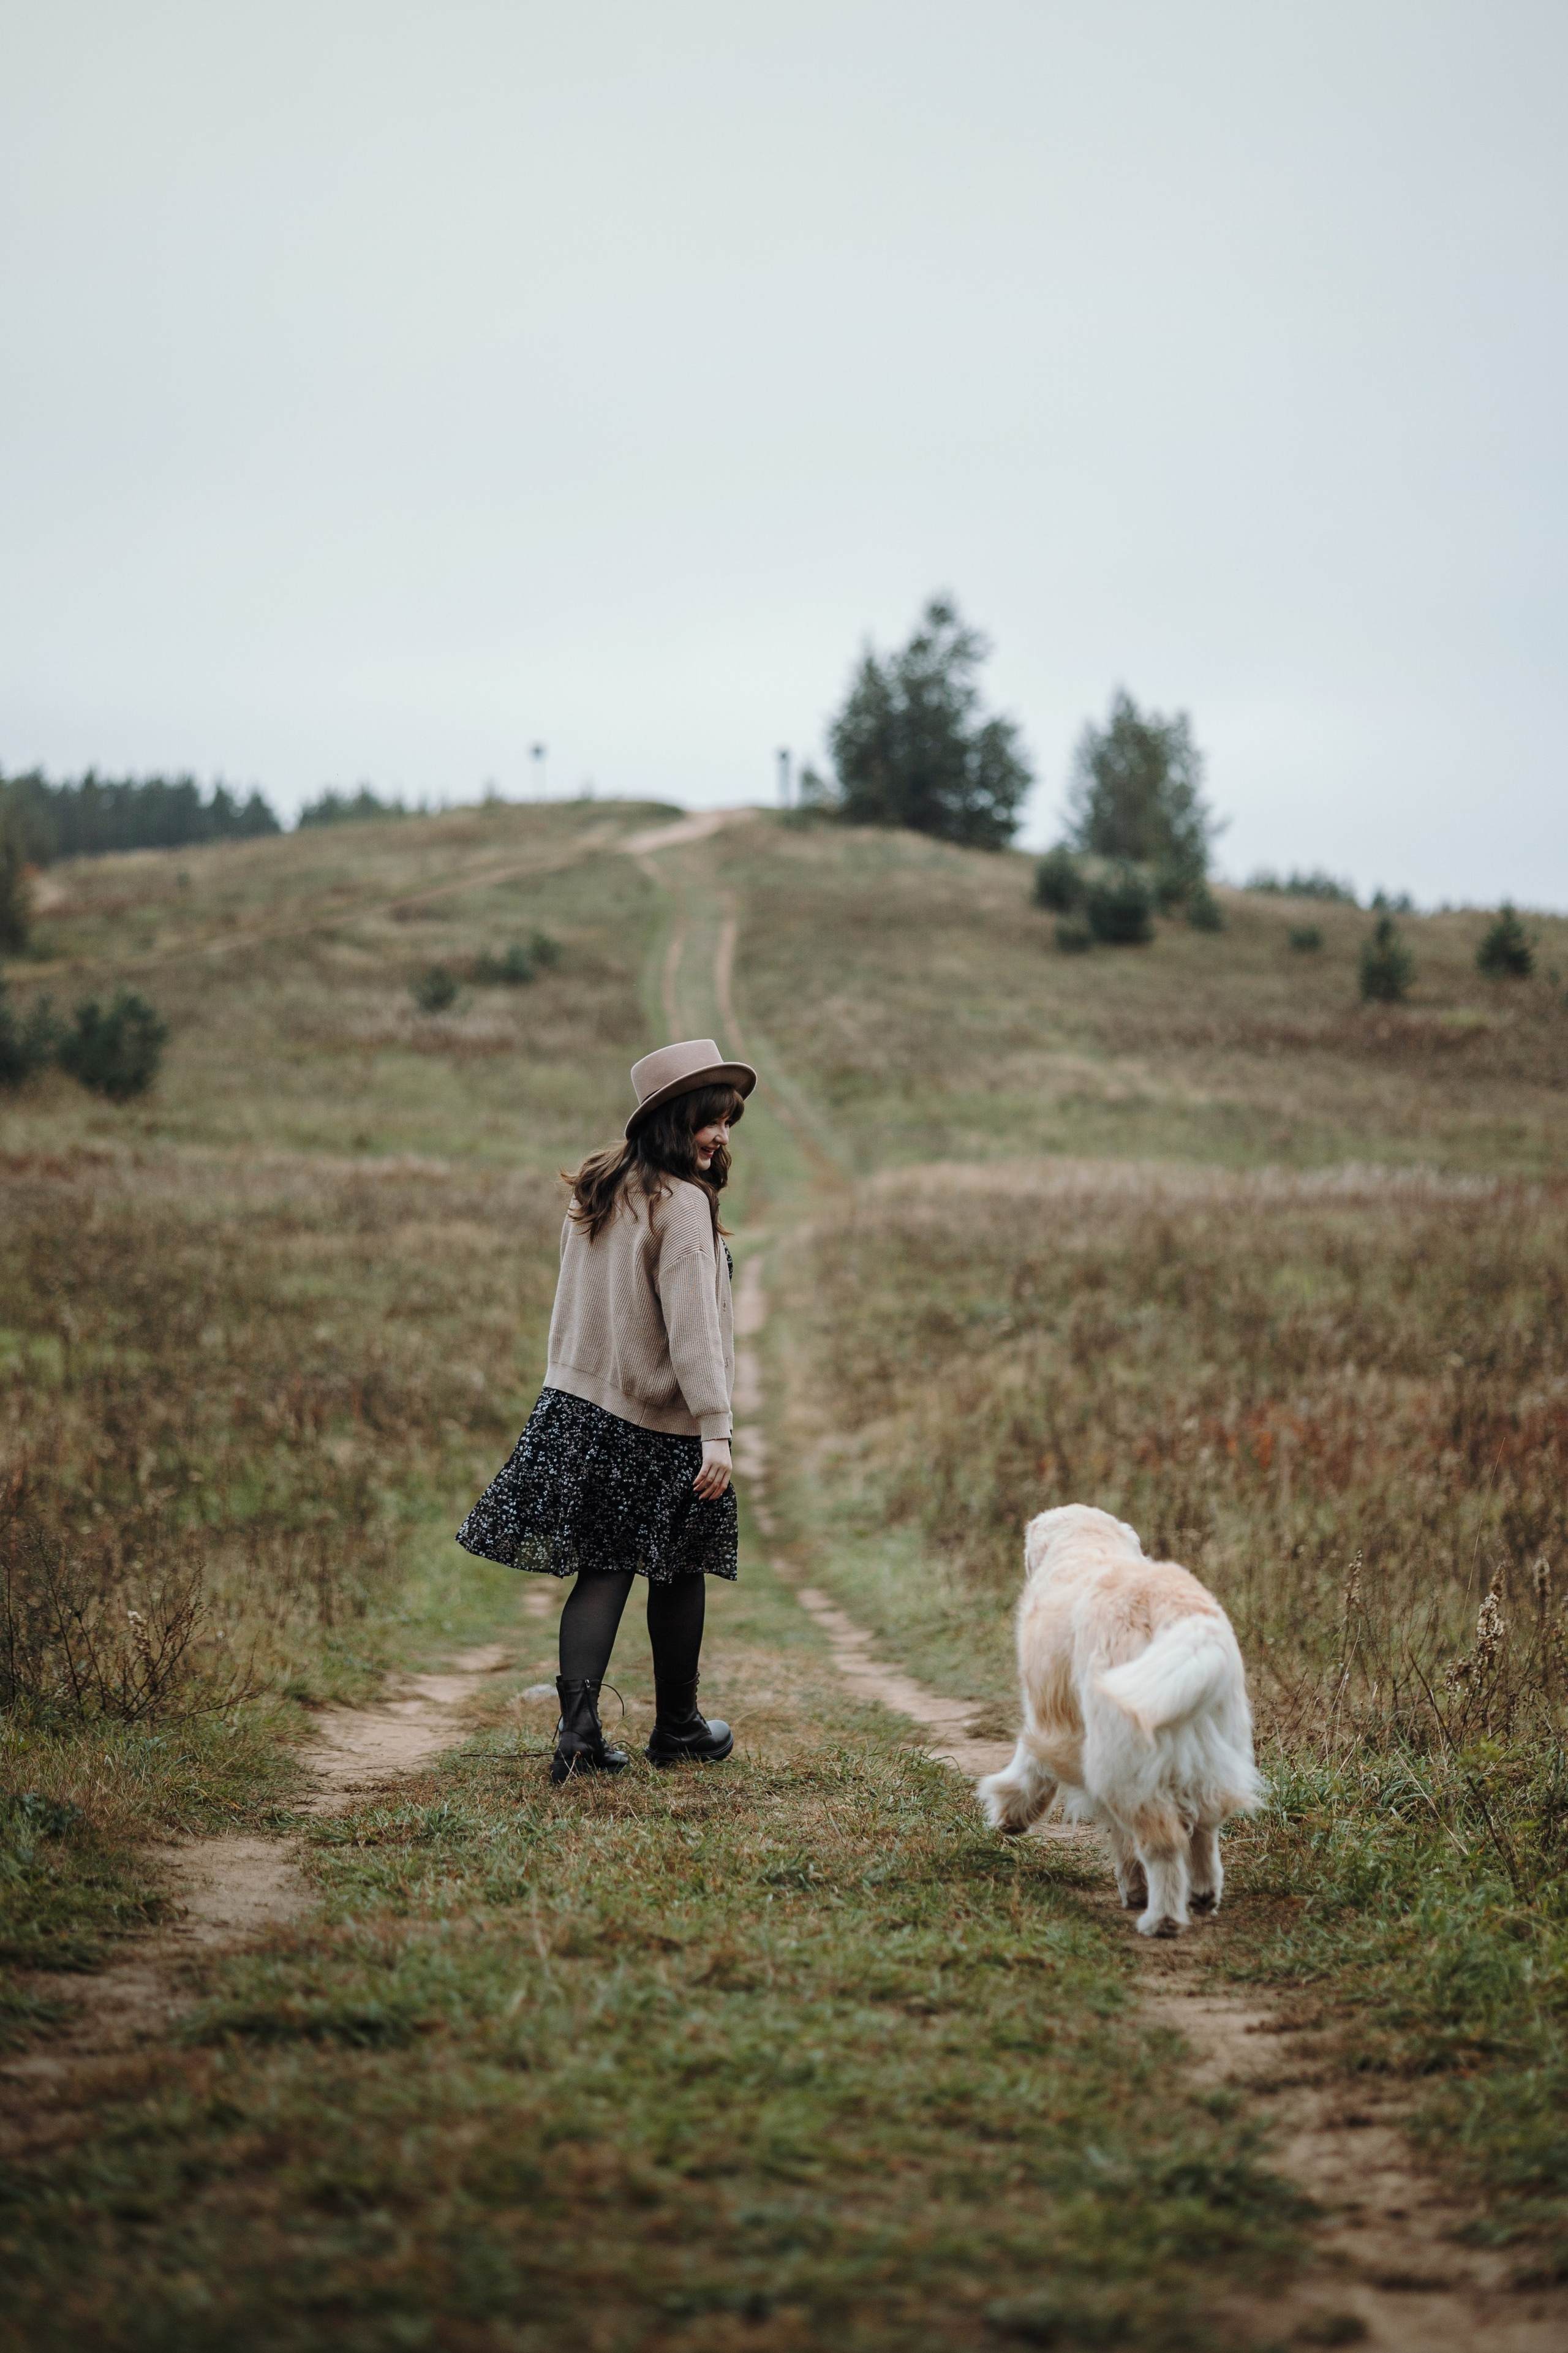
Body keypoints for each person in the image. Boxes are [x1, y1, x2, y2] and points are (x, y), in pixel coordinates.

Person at [457, 1037, 755, 1782]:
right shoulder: (682, 1206)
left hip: (577, 1406)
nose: (720, 1137)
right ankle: (679, 1728)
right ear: (674, 1119)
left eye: (728, 1122)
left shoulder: (600, 1186)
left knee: (604, 1566)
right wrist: (715, 1429)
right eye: (708, 1121)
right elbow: (693, 1333)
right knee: (679, 1564)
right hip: (655, 1417)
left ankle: (579, 1737)